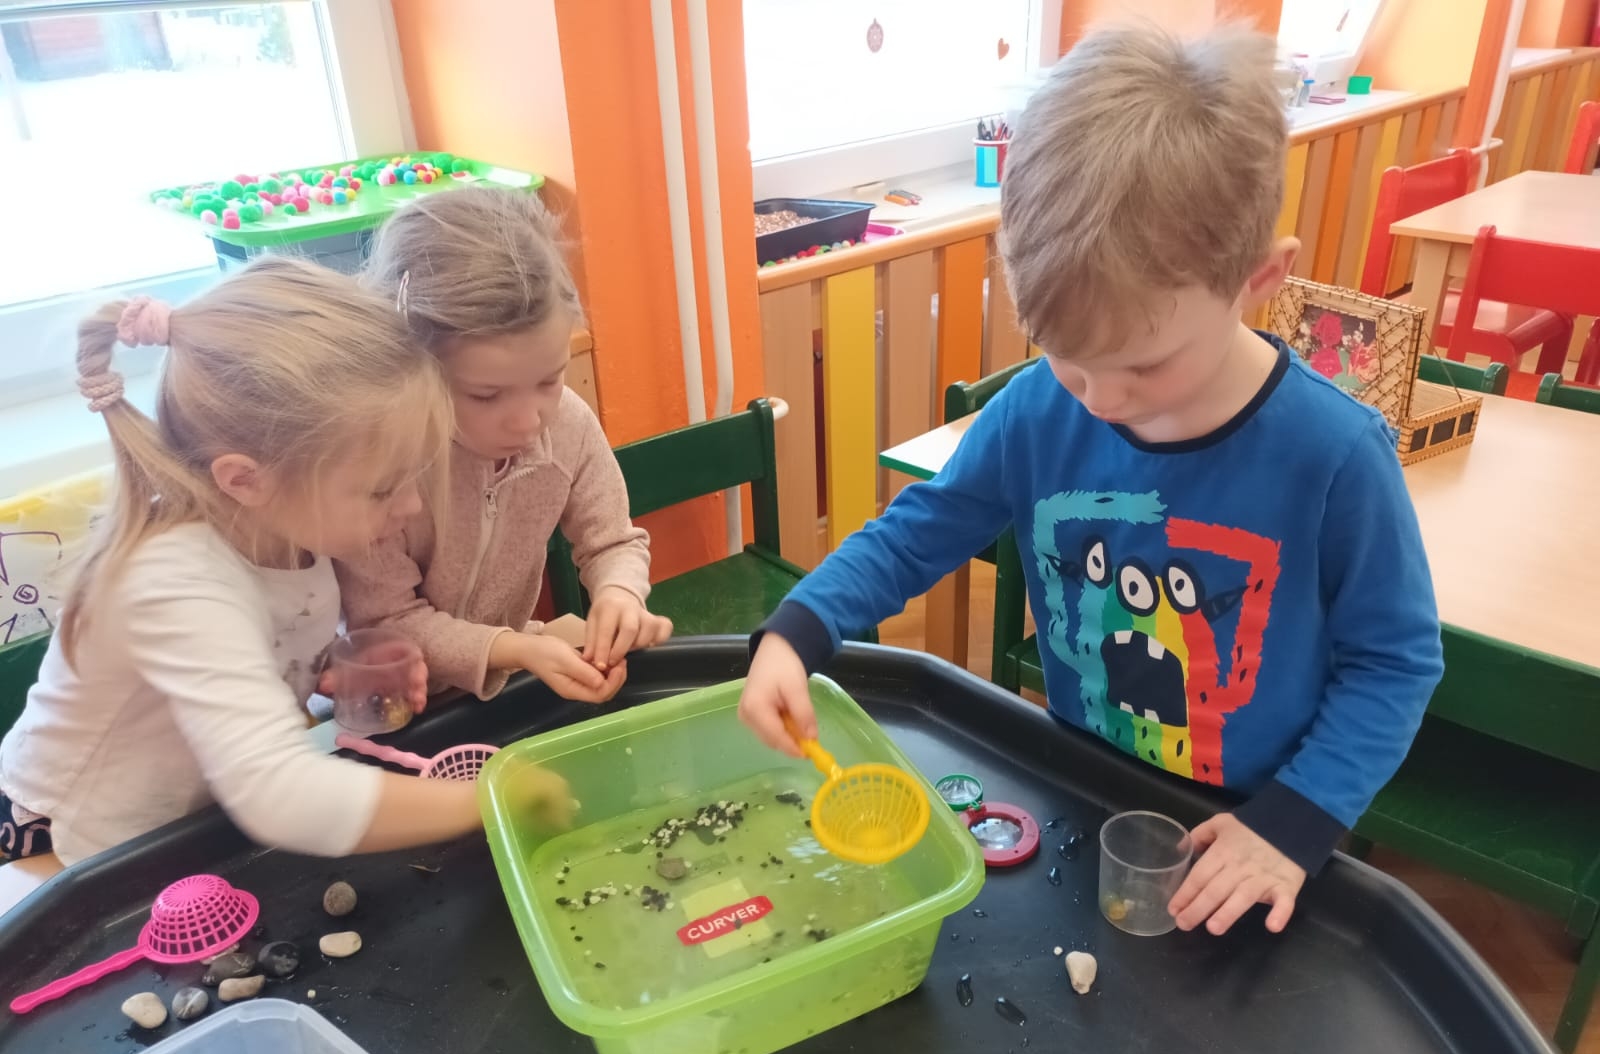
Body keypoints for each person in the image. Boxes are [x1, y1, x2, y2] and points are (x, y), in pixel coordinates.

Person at [738, 24, 1443, 936]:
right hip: (1080, 786)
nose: (1102, 400)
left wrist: (1297, 822)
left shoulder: (1335, 454)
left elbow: (1394, 662)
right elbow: (917, 533)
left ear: (1259, 278)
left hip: (1254, 828)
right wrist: (797, 632)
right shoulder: (1039, 409)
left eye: (1143, 365)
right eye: (1063, 355)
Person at [0, 258, 545, 867]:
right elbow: (276, 792)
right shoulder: (170, 577)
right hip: (63, 849)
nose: (412, 505)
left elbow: (252, 659)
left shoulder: (291, 530)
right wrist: (490, 800)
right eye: (381, 489)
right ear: (245, 480)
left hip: (193, 825)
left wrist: (329, 670)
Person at [338, 187, 672, 706]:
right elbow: (387, 620)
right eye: (486, 395)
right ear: (411, 369)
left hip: (507, 673)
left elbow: (612, 542)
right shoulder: (381, 467)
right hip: (392, 699)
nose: (529, 420)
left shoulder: (569, 426)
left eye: (550, 379)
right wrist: (514, 648)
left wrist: (619, 594)